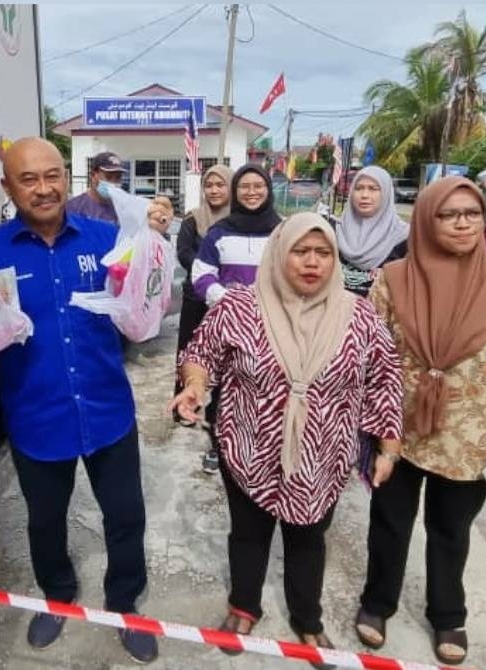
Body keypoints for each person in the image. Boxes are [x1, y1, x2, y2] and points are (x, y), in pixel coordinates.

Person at [0, 138, 169, 663]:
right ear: (7, 186)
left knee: (125, 515)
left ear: (68, 178)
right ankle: (58, 598)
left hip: (107, 409)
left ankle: (125, 605)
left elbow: (148, 298)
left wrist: (155, 238)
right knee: (45, 520)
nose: (43, 187)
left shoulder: (109, 239)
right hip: (37, 414)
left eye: (52, 175)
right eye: (28, 179)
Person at [171, 212, 403, 669]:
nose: (312, 262)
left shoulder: (358, 315)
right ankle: (244, 605)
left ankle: (306, 617)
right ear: (280, 253)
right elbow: (201, 352)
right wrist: (195, 386)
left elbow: (385, 378)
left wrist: (387, 444)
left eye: (323, 253)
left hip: (324, 453)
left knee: (308, 538)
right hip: (247, 445)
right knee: (249, 534)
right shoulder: (239, 306)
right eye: (300, 251)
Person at [353, 176, 486, 666]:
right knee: (389, 523)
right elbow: (369, 357)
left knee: (451, 530)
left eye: (473, 213)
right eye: (449, 214)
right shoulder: (393, 280)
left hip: (473, 439)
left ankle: (448, 614)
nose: (463, 222)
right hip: (397, 431)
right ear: (426, 219)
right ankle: (378, 603)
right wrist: (370, 426)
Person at [189, 164, 282, 473]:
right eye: (245, 187)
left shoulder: (283, 232)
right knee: (227, 387)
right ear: (235, 192)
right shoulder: (219, 232)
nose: (252, 192)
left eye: (258, 186)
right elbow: (201, 274)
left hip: (275, 326)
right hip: (229, 328)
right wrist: (230, 302)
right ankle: (219, 446)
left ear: (268, 190)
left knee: (270, 387)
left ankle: (268, 449)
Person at [174, 165, 233, 426]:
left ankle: (221, 411)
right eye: (209, 185)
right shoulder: (192, 219)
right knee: (189, 351)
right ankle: (183, 405)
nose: (214, 190)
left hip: (229, 301)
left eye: (220, 184)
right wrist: (207, 273)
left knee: (226, 357)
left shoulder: (238, 222)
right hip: (196, 298)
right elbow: (184, 252)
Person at [333, 165, 409, 298]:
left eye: (373, 189)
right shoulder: (335, 231)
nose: (364, 195)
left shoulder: (403, 237)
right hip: (336, 312)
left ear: (386, 193)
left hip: (381, 315)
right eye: (359, 188)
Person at [66, 151, 127, 224]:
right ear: (92, 175)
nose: (113, 183)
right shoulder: (74, 208)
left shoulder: (122, 210)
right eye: (108, 177)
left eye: (118, 178)